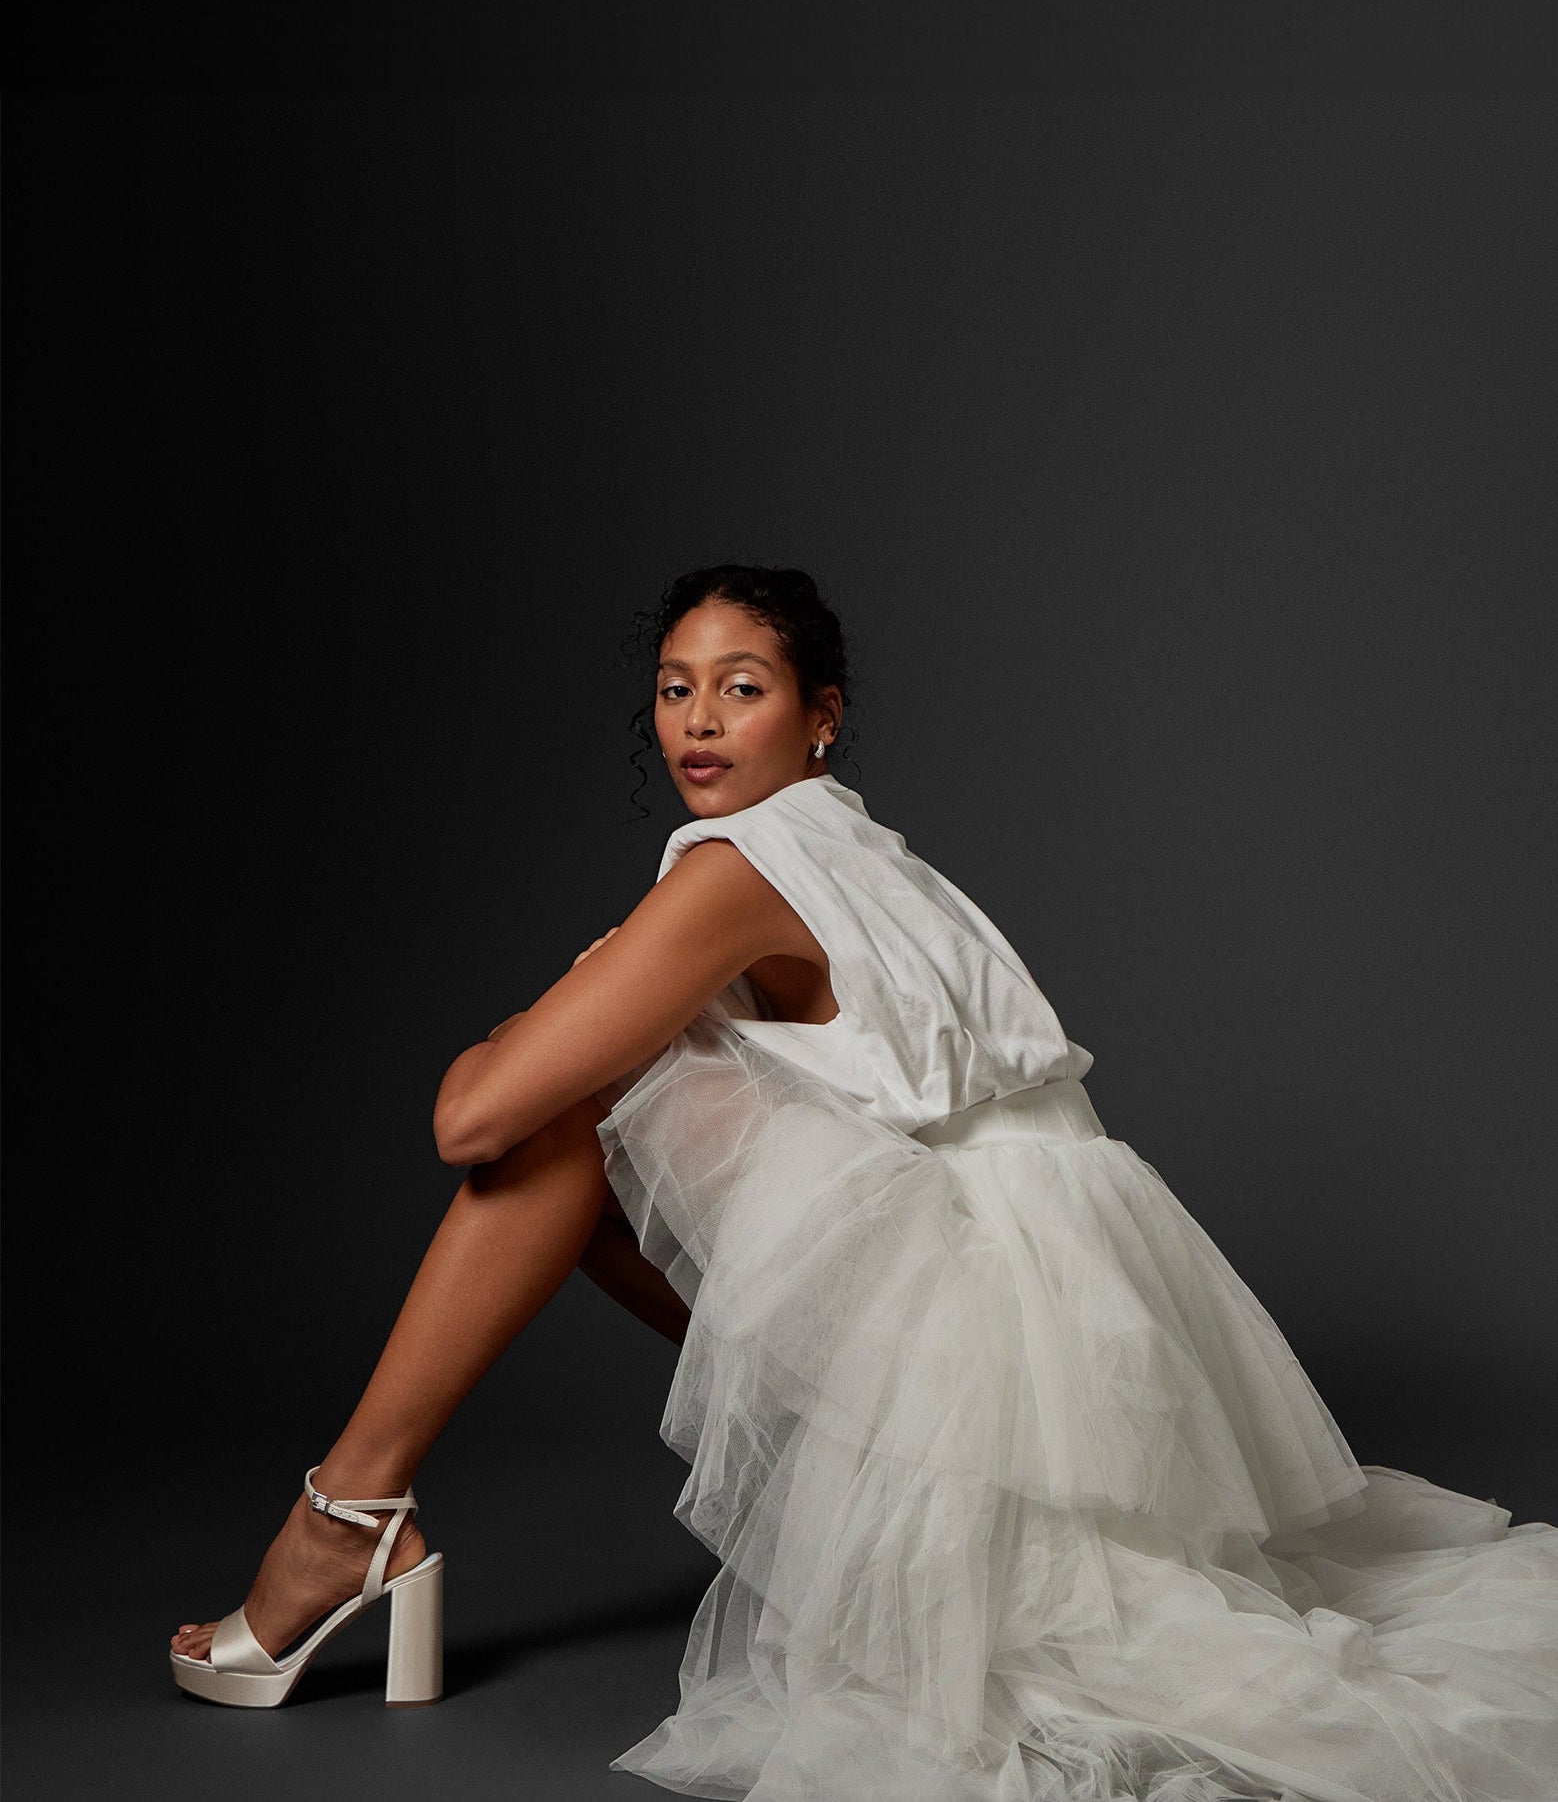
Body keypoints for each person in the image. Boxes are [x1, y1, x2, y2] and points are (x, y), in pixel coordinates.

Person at [170, 563, 1558, 1798]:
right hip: (1046, 1335)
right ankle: (351, 1519)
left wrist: (527, 1027)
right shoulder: (858, 848)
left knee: (553, 1123)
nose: (699, 721)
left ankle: (344, 1519)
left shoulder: (736, 871)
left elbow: (467, 1118)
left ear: (817, 713)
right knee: (593, 1113)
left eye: (742, 686)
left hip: (977, 1342)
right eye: (674, 689)